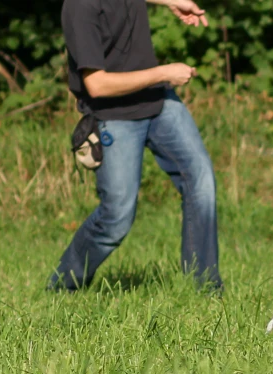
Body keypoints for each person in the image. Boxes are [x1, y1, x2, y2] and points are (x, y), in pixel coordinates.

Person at [48, 0, 223, 294]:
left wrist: (170, 1)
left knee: (201, 182)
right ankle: (62, 287)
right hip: (114, 117)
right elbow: (97, 85)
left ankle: (205, 289)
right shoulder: (80, 8)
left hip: (159, 102)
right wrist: (164, 73)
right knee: (115, 218)